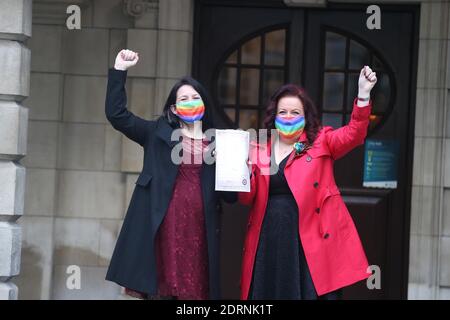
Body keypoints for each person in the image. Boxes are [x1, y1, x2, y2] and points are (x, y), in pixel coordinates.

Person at [105, 49, 236, 300]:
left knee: (195, 290)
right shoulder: (156, 133)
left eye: (195, 97)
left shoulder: (220, 142)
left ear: (204, 103)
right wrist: (119, 70)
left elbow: (230, 198)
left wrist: (226, 165)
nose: (190, 102)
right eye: (183, 99)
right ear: (175, 109)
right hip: (165, 222)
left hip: (200, 227)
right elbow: (117, 115)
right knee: (164, 290)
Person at [239, 66, 377, 300]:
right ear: (274, 116)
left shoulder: (321, 141)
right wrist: (242, 170)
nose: (288, 117)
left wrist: (363, 95)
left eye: (295, 112)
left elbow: (354, 134)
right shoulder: (260, 148)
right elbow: (246, 199)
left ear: (306, 116)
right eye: (283, 112)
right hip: (269, 237)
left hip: (307, 237)